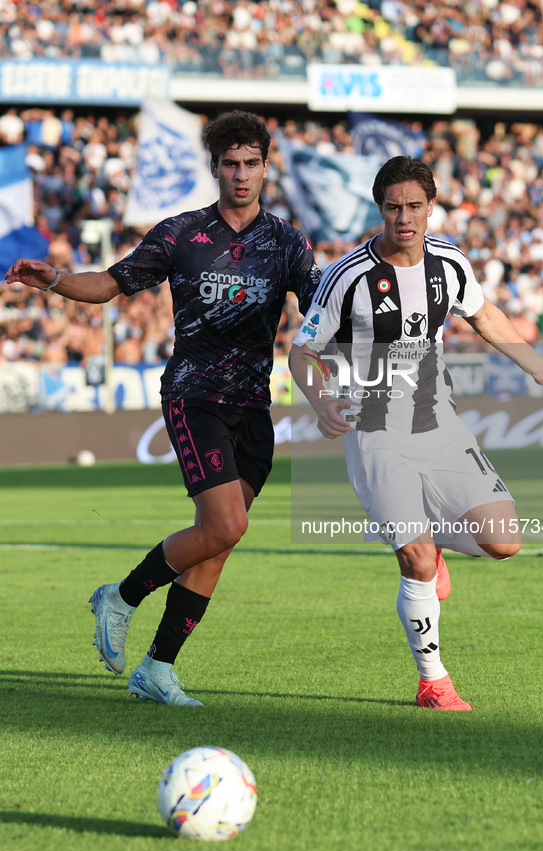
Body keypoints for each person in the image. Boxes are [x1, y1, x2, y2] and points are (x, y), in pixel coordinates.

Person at [5, 110, 321, 706]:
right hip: (193, 396)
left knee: (218, 539)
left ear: (265, 165)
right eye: (231, 164)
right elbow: (111, 283)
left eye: (252, 163)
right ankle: (121, 596)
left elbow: (322, 307)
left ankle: (157, 668)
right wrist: (54, 280)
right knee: (227, 524)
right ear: (215, 167)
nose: (242, 174)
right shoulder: (180, 234)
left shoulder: (286, 242)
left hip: (253, 407)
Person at [289, 155, 543, 711]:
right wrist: (322, 401)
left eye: (414, 206)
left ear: (430, 206)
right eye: (393, 207)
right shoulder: (346, 277)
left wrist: (534, 364)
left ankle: (436, 541)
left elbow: (485, 315)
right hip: (375, 431)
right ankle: (433, 680)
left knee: (504, 542)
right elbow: (302, 350)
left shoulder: (449, 263)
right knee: (415, 560)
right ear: (380, 209)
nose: (404, 217)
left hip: (439, 421)